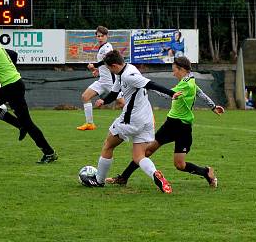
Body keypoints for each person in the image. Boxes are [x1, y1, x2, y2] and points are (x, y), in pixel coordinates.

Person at [105, 56, 224, 188]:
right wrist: (213, 106)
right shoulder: (190, 80)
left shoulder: (186, 84)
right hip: (171, 124)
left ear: (182, 69)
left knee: (180, 165)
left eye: (174, 70)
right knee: (146, 152)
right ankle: (123, 178)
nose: (173, 73)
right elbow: (199, 92)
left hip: (183, 128)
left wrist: (144, 86)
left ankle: (206, 172)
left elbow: (167, 94)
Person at [79, 50, 180, 193]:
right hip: (146, 119)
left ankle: (99, 180)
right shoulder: (125, 70)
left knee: (108, 145)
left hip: (131, 119)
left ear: (114, 66)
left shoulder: (128, 76)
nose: (109, 71)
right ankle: (155, 175)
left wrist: (171, 93)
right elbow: (114, 93)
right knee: (139, 156)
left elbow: (151, 84)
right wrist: (104, 100)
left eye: (109, 68)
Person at [0, 22, 57, 163]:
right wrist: (11, 69)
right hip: (16, 84)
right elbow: (13, 54)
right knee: (27, 123)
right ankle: (49, 152)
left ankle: (20, 126)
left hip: (12, 86)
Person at [77, 26, 124, 131]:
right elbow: (105, 64)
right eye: (98, 36)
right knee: (85, 97)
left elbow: (107, 60)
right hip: (102, 81)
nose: (100, 38)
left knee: (123, 103)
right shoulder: (101, 47)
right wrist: (97, 70)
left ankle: (146, 117)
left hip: (111, 82)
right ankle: (90, 124)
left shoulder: (107, 47)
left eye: (102, 36)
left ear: (107, 36)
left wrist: (94, 65)